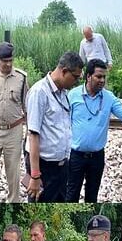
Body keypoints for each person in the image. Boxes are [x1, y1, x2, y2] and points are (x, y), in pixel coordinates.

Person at [66, 59, 122, 203]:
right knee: (71, 195)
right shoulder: (72, 95)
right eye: (98, 76)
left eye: (104, 77)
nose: (102, 80)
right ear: (88, 76)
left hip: (97, 157)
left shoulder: (109, 98)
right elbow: (63, 123)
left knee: (92, 196)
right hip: (76, 156)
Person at [24, 52, 84, 202]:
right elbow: (33, 135)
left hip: (62, 167)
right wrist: (35, 175)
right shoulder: (39, 92)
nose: (76, 82)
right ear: (64, 71)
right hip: (44, 168)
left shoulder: (63, 93)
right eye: (75, 77)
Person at [0, 42, 29, 203]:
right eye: (4, 60)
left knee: (13, 171)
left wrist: (29, 132)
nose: (8, 64)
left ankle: (13, 201)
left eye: (10, 60)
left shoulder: (21, 78)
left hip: (14, 130)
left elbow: (26, 106)